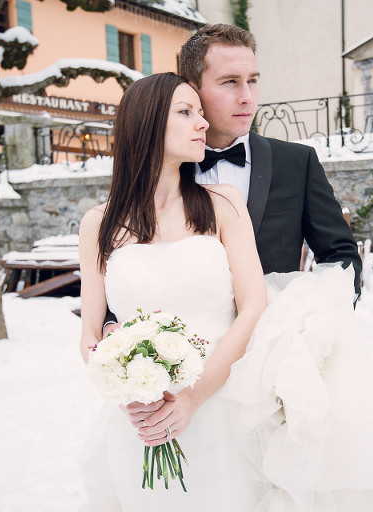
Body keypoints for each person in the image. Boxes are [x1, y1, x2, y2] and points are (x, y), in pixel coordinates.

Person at [78, 72, 268, 510]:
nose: (202, 123)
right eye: (186, 113)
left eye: (200, 113)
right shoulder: (98, 225)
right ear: (145, 125)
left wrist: (191, 398)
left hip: (225, 408)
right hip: (143, 420)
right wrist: (126, 386)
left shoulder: (222, 204)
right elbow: (90, 333)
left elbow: (253, 305)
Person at [101, 23, 362, 338]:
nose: (247, 97)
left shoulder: (297, 163)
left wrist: (320, 322)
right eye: (230, 82)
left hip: (276, 352)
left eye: (253, 81)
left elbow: (340, 257)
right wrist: (113, 328)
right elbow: (124, 265)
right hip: (185, 359)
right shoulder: (161, 171)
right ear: (192, 87)